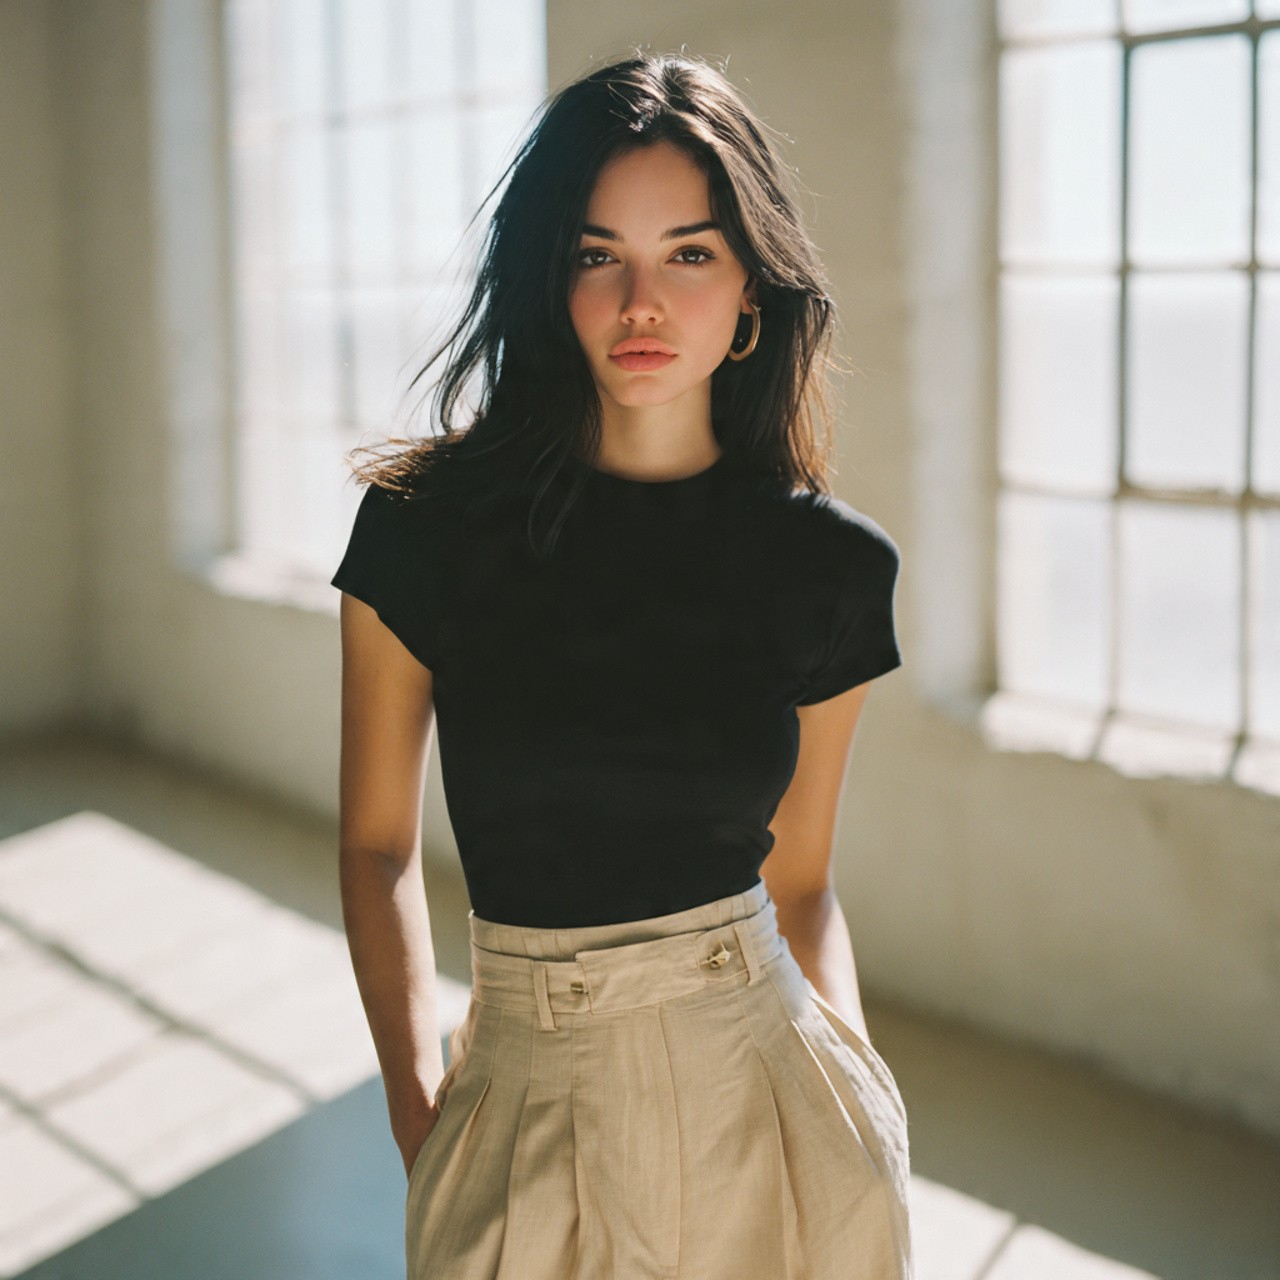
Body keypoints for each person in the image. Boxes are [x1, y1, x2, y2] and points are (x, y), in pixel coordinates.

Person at [331, 50, 912, 1280]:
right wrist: (412, 1101)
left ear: (752, 284)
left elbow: (801, 883)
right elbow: (376, 842)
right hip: (522, 1096)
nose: (640, 300)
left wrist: (863, 1102)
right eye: (598, 254)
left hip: (774, 1104)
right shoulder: (423, 534)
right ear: (551, 278)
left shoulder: (830, 568)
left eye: (688, 253)